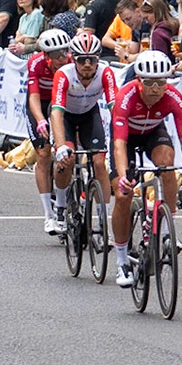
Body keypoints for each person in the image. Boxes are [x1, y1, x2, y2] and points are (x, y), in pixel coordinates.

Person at [108, 51, 182, 288]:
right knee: (123, 195)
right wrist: (122, 177)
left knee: (167, 162)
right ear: (139, 80)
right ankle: (121, 261)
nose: (155, 88)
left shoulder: (173, 96)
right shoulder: (126, 96)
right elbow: (119, 144)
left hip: (152, 133)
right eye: (149, 82)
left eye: (161, 82)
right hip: (126, 138)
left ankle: (168, 225)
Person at [48, 32, 119, 225]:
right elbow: (56, 113)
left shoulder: (106, 73)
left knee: (98, 163)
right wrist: (61, 146)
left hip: (89, 115)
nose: (87, 64)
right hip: (66, 117)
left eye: (92, 59)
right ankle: (61, 206)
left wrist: (121, 139)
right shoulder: (64, 74)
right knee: (66, 160)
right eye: (81, 60)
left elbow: (116, 108)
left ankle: (104, 217)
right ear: (73, 59)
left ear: (98, 59)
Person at [25, 29, 75, 233]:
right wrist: (40, 121)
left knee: (73, 149)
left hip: (63, 103)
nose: (62, 58)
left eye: (64, 52)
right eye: (55, 55)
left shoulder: (73, 62)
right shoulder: (35, 63)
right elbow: (33, 96)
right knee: (44, 153)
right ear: (45, 55)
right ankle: (48, 215)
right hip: (42, 102)